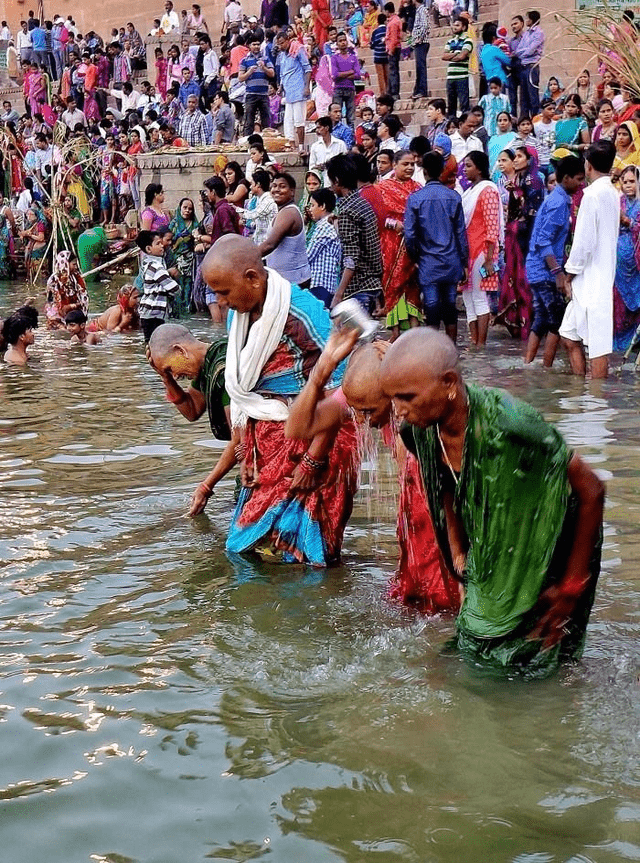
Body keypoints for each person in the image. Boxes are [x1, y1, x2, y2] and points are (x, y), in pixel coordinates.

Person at [380, 327, 604, 676]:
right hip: (495, 545)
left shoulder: (513, 426)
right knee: (478, 651)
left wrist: (572, 585)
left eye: (407, 397)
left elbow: (591, 489)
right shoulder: (418, 430)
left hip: (551, 541)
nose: (399, 411)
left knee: (538, 657)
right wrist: (456, 546)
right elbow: (445, 485)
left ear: (449, 383)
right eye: (392, 398)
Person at [190, 235, 359, 566]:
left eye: (224, 292)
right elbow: (246, 392)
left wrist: (314, 460)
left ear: (253, 278)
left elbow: (340, 395)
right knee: (249, 547)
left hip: (311, 446)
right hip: (266, 451)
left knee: (307, 555)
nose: (221, 302)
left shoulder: (302, 313)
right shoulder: (240, 315)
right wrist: (247, 452)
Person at [286, 328, 461, 612]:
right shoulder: (363, 398)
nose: (359, 420)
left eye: (368, 412)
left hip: (438, 503)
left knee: (442, 597)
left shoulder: (415, 410)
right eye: (354, 410)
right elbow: (296, 427)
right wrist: (322, 371)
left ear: (393, 396)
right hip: (416, 504)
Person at [559, 141, 620, 379]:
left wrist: (569, 274)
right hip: (597, 275)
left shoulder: (592, 195)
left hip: (592, 278)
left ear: (588, 165)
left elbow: (583, 242)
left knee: (598, 348)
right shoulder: (611, 193)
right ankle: (581, 390)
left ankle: (596, 401)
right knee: (568, 334)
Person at [524, 154, 585, 366]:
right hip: (544, 271)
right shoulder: (559, 202)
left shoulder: (555, 198)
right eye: (578, 179)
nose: (581, 183)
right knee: (557, 321)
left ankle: (528, 364)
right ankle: (546, 368)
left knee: (541, 319)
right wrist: (557, 273)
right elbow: (543, 240)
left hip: (535, 268)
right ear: (566, 178)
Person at [405, 151, 468, 342]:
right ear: (442, 171)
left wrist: (415, 258)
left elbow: (410, 235)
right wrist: (464, 261)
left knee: (431, 305)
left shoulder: (415, 199)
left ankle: (431, 354)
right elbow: (460, 234)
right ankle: (452, 351)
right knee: (450, 305)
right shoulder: (454, 197)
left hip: (427, 262)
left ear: (423, 172)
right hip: (451, 261)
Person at [496, 146, 544, 341]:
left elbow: (531, 213)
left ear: (530, 159)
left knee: (523, 281)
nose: (515, 160)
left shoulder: (533, 180)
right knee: (514, 279)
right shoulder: (518, 180)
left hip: (526, 238)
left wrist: (516, 193)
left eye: (520, 156)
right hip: (514, 237)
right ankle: (520, 325)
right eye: (514, 156)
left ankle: (529, 327)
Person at [327, 153, 384, 314]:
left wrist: (339, 294)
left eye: (331, 182)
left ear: (337, 181)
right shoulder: (361, 203)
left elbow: (351, 258)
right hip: (372, 282)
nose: (331, 186)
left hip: (357, 287)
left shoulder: (347, 211)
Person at [378, 150, 423, 339]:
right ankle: (395, 331)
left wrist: (412, 227)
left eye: (412, 164)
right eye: (405, 164)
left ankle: (414, 331)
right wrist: (394, 224)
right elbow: (378, 215)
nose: (410, 168)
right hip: (391, 242)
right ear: (394, 166)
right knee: (392, 284)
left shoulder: (419, 188)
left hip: (412, 243)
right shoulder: (383, 187)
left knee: (412, 284)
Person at [461, 150, 503, 346]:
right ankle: (474, 341)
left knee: (478, 296)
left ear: (479, 168)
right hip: (468, 249)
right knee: (468, 296)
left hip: (482, 251)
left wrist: (489, 257)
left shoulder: (487, 190)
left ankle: (481, 344)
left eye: (469, 166)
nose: (465, 170)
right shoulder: (470, 191)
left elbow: (492, 225)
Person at [259, 172, 312, 288]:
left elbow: (270, 245)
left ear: (292, 192)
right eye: (274, 186)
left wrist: (245, 257)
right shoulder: (283, 211)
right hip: (285, 280)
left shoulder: (289, 212)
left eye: (282, 186)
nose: (276, 190)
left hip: (293, 282)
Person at [613, 165, 640, 351]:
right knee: (619, 303)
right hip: (618, 261)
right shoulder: (618, 201)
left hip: (636, 260)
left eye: (632, 181)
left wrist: (628, 222)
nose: (628, 185)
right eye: (625, 182)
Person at [136, 230, 181, 342]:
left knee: (151, 343)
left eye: (161, 243)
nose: (162, 246)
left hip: (149, 312)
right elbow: (174, 288)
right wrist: (177, 286)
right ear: (148, 249)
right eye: (158, 244)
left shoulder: (147, 264)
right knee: (157, 344)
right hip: (154, 313)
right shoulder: (156, 266)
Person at [275, 29, 311, 152]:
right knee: (288, 121)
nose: (280, 46)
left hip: (299, 90)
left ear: (288, 40)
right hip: (288, 92)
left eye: (282, 43)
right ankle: (291, 144)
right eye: (278, 44)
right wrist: (280, 87)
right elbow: (283, 73)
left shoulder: (298, 49)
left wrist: (306, 87)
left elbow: (307, 69)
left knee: (299, 120)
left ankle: (301, 146)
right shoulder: (282, 55)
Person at [305, 187, 342, 307]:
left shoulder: (325, 226)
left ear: (322, 206)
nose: (310, 209)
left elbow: (308, 256)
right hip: (327, 285)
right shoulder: (326, 224)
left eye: (312, 205)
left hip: (320, 284)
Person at [239, 35, 275, 135]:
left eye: (258, 44)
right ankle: (247, 143)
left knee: (266, 122)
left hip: (264, 94)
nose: (256, 46)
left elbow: (272, 74)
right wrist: (249, 72)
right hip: (251, 94)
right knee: (249, 122)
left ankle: (267, 142)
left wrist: (264, 68)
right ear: (249, 46)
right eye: (254, 44)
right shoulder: (244, 61)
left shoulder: (266, 59)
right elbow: (240, 78)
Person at [169, 198, 198, 316]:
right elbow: (168, 240)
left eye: (190, 209)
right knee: (177, 283)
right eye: (185, 208)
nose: (187, 211)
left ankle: (187, 307)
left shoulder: (195, 224)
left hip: (191, 260)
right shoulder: (174, 224)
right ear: (180, 208)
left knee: (189, 284)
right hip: (177, 260)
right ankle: (177, 309)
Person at [45, 251, 88, 328]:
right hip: (57, 316)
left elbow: (84, 297)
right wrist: (71, 306)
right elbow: (53, 303)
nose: (76, 267)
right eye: (74, 264)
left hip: (74, 314)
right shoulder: (53, 280)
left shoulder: (76, 278)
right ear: (65, 264)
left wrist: (75, 307)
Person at [329, 31, 361, 130]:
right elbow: (334, 75)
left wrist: (342, 74)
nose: (343, 42)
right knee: (336, 117)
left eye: (344, 40)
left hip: (350, 89)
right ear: (337, 44)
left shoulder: (353, 58)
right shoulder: (334, 58)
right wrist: (350, 72)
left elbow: (358, 75)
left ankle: (350, 138)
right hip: (338, 89)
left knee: (351, 117)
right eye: (340, 41)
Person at [442, 16, 473, 117]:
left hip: (462, 77)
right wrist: (457, 53)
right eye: (454, 25)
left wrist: (451, 55)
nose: (454, 27)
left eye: (457, 25)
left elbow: (462, 56)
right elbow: (443, 56)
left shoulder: (468, 40)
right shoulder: (450, 41)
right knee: (451, 106)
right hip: (450, 78)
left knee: (464, 105)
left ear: (464, 27)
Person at [515, 10, 544, 117]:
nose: (526, 21)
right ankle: (524, 121)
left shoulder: (539, 33)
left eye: (527, 18)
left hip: (532, 66)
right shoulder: (526, 33)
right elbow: (519, 49)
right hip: (523, 67)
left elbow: (531, 50)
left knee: (533, 96)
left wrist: (522, 53)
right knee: (523, 98)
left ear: (532, 20)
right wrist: (522, 52)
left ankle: (535, 119)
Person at [240, 169, 277, 245]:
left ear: (258, 184)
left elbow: (254, 214)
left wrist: (238, 212)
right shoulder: (259, 199)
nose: (250, 187)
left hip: (267, 242)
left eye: (252, 184)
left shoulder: (268, 200)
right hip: (260, 241)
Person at [309, 116, 348, 183]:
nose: (316, 130)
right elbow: (311, 167)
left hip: (336, 182)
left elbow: (345, 164)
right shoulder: (315, 146)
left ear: (327, 128)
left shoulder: (340, 144)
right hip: (320, 182)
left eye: (319, 127)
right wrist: (317, 167)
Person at [411, 0, 430, 100]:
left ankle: (422, 90)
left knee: (421, 67)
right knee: (419, 67)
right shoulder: (419, 10)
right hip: (419, 43)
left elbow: (424, 25)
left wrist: (419, 38)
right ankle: (417, 90)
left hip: (421, 43)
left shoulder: (422, 10)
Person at [384, 2, 402, 101]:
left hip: (393, 49)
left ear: (387, 11)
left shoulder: (394, 22)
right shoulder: (393, 20)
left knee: (393, 72)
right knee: (392, 71)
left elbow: (394, 39)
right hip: (392, 48)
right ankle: (391, 92)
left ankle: (394, 93)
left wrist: (391, 50)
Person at [370, 14, 388, 95]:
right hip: (387, 56)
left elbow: (372, 45)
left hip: (378, 56)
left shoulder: (375, 32)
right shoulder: (388, 30)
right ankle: (388, 92)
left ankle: (382, 93)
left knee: (380, 77)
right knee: (387, 76)